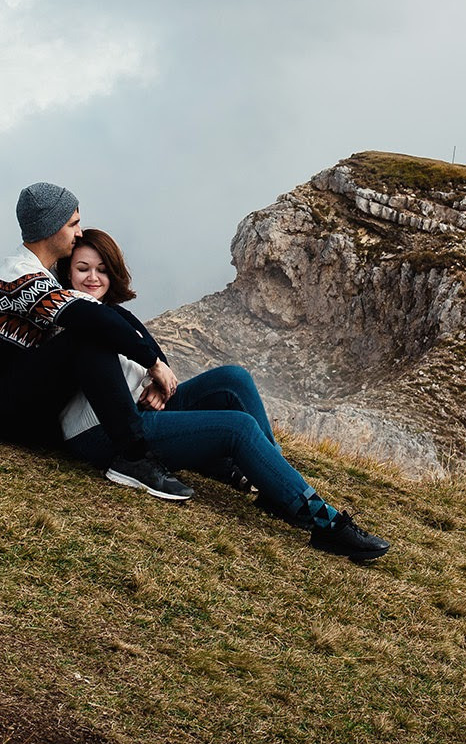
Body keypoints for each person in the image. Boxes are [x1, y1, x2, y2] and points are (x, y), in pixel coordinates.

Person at [56, 227, 391, 565]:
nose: (93, 278)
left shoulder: (116, 314)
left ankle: (276, 488)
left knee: (233, 379)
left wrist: (156, 384)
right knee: (237, 428)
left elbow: (151, 358)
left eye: (101, 269)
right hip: (104, 433)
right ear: (67, 271)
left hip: (137, 411)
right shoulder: (73, 310)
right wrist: (151, 371)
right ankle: (322, 520)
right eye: (83, 269)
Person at [0, 182, 193, 500]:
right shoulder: (24, 280)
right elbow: (94, 319)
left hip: (15, 399)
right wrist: (152, 364)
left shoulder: (37, 276)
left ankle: (164, 450)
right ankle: (133, 455)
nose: (80, 233)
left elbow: (111, 316)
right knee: (85, 337)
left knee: (92, 329)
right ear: (51, 229)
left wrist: (157, 364)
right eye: (73, 223)